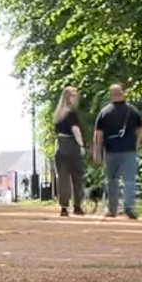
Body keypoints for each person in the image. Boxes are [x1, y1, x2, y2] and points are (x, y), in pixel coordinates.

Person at [93, 83, 142, 219]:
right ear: (122, 93)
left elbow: (98, 135)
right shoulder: (132, 110)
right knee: (129, 179)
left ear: (111, 95)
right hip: (129, 150)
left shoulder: (105, 112)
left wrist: (97, 152)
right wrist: (137, 142)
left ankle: (112, 209)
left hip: (111, 151)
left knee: (112, 180)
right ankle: (129, 207)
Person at [52, 86, 87, 217]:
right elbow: (75, 130)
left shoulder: (58, 115)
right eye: (73, 95)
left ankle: (64, 206)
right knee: (77, 177)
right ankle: (77, 205)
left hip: (61, 147)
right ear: (68, 98)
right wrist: (81, 145)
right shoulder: (71, 114)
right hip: (72, 146)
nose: (75, 98)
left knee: (63, 178)